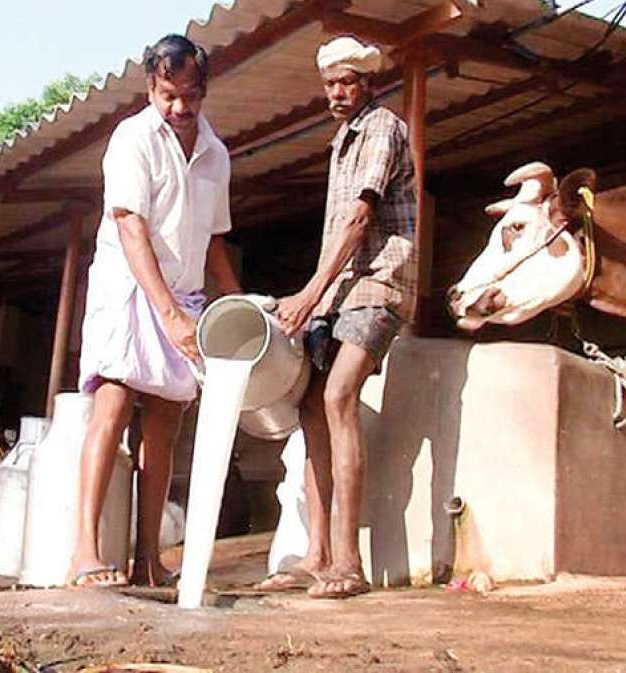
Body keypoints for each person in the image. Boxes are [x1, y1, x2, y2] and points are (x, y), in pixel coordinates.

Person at [67, 33, 241, 587]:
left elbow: (214, 240)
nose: (179, 107)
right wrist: (166, 312)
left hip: (185, 296)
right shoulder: (132, 139)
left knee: (165, 426)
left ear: (204, 91)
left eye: (190, 95)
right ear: (151, 87)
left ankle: (149, 560)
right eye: (168, 94)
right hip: (128, 287)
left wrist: (237, 305)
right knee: (114, 405)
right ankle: (84, 553)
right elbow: (129, 224)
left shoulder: (217, 155)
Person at [260, 36, 418, 599]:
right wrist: (313, 299)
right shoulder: (340, 141)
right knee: (307, 404)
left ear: (367, 84)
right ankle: (317, 553)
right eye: (329, 85)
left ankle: (349, 562)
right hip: (340, 291)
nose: (336, 93)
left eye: (346, 83)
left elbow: (357, 221)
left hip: (378, 283)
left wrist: (308, 294)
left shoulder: (380, 129)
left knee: (337, 396)